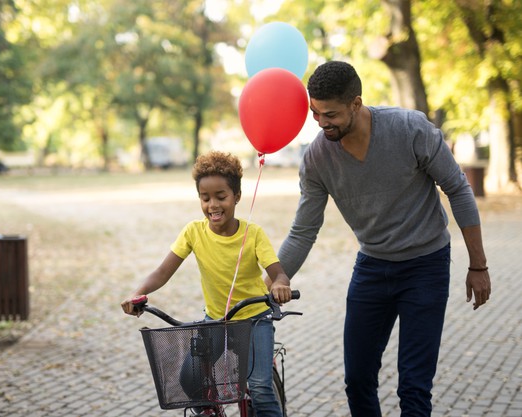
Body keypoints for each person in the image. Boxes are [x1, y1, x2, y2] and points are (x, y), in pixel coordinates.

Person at [277, 61, 492, 417]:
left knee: (413, 386)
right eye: (315, 113)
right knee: (358, 380)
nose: (321, 123)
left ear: (356, 104)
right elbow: (304, 229)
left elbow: (458, 189)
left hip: (426, 265)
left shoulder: (409, 129)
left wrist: (478, 265)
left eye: (330, 114)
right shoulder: (317, 157)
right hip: (373, 266)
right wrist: (275, 276)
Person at [121, 150, 293, 417]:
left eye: (221, 197)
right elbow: (163, 271)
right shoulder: (193, 232)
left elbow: (279, 274)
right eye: (205, 198)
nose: (213, 205)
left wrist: (279, 285)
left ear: (236, 196)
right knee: (190, 381)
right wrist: (139, 292)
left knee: (259, 387)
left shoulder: (253, 234)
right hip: (215, 321)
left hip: (254, 319)